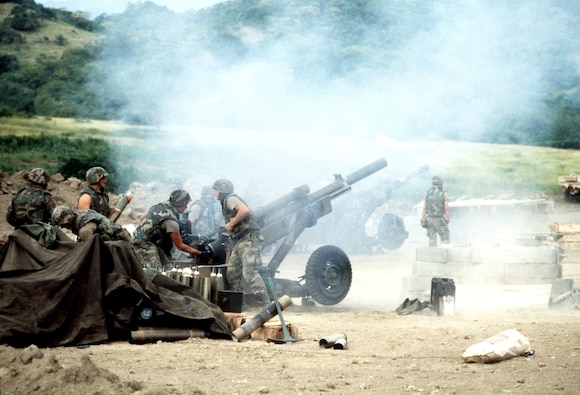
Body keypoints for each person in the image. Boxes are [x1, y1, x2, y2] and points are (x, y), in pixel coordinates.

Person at [213, 178, 270, 307]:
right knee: (232, 272)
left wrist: (231, 224)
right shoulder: (231, 200)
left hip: (249, 238)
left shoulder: (229, 199)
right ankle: (239, 303)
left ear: (221, 191)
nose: (214, 193)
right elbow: (253, 214)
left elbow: (244, 210)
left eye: (215, 190)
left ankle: (266, 304)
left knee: (250, 272)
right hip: (241, 239)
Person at [132, 189, 206, 268]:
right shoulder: (171, 222)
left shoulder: (161, 206)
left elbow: (142, 217)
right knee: (156, 272)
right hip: (143, 245)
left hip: (152, 243)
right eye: (186, 204)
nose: (186, 207)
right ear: (180, 203)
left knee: (167, 267)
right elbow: (180, 245)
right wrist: (199, 253)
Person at [51, 205, 132, 242]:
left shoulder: (84, 230)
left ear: (68, 220)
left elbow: (91, 251)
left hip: (119, 244)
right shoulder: (84, 213)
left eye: (63, 225)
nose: (63, 227)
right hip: (122, 236)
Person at [421, 175, 450, 247]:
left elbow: (424, 207)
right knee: (445, 238)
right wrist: (448, 218)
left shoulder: (427, 193)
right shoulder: (444, 193)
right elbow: (446, 208)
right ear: (441, 183)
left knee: (432, 239)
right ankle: (445, 256)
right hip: (439, 219)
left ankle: (432, 256)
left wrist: (423, 218)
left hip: (429, 219)